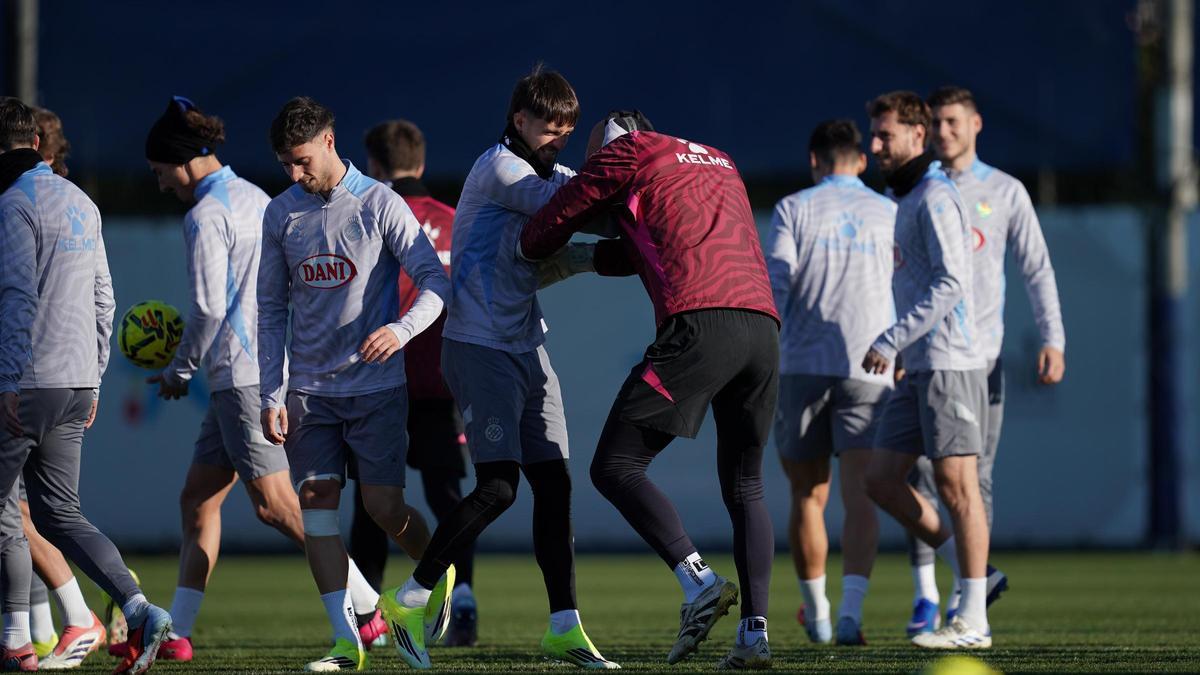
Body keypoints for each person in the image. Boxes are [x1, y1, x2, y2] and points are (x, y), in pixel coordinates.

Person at [520, 110, 781, 669]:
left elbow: (542, 231)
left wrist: (549, 250)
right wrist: (589, 259)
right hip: (762, 327)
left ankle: (699, 580)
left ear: (615, 141)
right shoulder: (718, 158)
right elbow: (654, 237)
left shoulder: (627, 151)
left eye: (594, 156)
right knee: (747, 486)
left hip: (701, 324)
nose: (593, 167)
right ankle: (754, 636)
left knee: (614, 466)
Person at [376, 68, 617, 671]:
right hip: (478, 348)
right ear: (519, 121)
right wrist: (625, 186)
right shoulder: (502, 170)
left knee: (554, 486)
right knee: (499, 487)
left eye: (569, 125)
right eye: (550, 124)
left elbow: (588, 207)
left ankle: (564, 626)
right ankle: (410, 599)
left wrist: (643, 211)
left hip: (527, 346)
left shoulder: (544, 171)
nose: (561, 135)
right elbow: (575, 209)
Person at [137, 96, 388, 664]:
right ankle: (177, 631)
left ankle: (371, 606)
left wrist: (179, 370)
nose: (159, 185)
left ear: (179, 161)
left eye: (158, 173)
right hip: (253, 373)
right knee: (198, 498)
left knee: (278, 507)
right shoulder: (253, 195)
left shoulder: (205, 213)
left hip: (241, 377)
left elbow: (205, 308)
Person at [258, 96, 451, 672]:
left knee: (384, 507)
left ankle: (440, 570)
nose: (295, 174)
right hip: (310, 396)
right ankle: (347, 642)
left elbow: (436, 283)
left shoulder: (379, 203)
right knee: (317, 511)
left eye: (301, 160)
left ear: (329, 142)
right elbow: (270, 310)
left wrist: (401, 328)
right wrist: (272, 393)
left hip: (376, 390)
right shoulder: (281, 214)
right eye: (285, 165)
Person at [0, 96, 172, 673]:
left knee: (8, 509)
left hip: (27, 383)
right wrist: (94, 380)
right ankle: (139, 606)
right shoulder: (81, 203)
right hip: (74, 385)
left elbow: (18, 297)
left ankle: (18, 639)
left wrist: (8, 379)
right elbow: (106, 300)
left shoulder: (14, 205)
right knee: (59, 516)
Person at [899, 86, 1066, 632]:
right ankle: (930, 593)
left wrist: (1053, 338)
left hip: (978, 358)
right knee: (912, 474)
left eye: (953, 121)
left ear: (975, 124)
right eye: (937, 123)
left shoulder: (1003, 190)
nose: (944, 131)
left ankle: (965, 599)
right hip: (925, 352)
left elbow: (1036, 268)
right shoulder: (919, 189)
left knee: (973, 479)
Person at [859, 91, 992, 649]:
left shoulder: (936, 194)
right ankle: (981, 581)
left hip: (951, 362)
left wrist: (893, 339)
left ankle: (974, 619)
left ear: (918, 136)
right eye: (874, 134)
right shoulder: (909, 198)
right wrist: (905, 354)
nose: (875, 146)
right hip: (920, 366)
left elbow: (953, 282)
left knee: (957, 487)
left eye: (885, 135)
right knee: (881, 480)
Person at [765, 119, 897, 646]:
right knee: (862, 494)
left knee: (806, 494)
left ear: (813, 159)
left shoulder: (794, 208)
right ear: (861, 160)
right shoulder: (889, 211)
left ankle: (818, 615)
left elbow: (776, 282)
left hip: (803, 364)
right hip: (871, 365)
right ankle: (850, 617)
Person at [351, 119, 479, 647]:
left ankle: (368, 618)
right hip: (443, 386)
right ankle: (463, 598)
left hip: (380, 383)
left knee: (370, 503)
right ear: (421, 164)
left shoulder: (367, 217)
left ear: (375, 168)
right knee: (450, 499)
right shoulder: (457, 222)